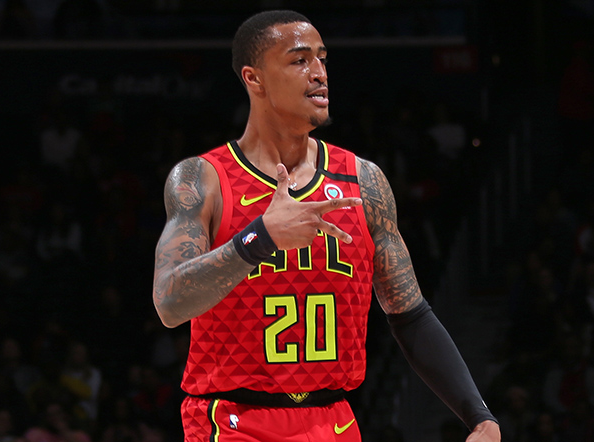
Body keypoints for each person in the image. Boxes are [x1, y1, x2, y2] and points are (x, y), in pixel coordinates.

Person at [151, 10, 500, 442]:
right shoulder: (202, 179)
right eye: (300, 60)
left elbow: (409, 315)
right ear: (254, 78)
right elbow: (169, 302)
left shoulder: (363, 180)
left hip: (333, 421)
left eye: (322, 59)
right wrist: (260, 238)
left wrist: (479, 416)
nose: (319, 73)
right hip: (234, 420)